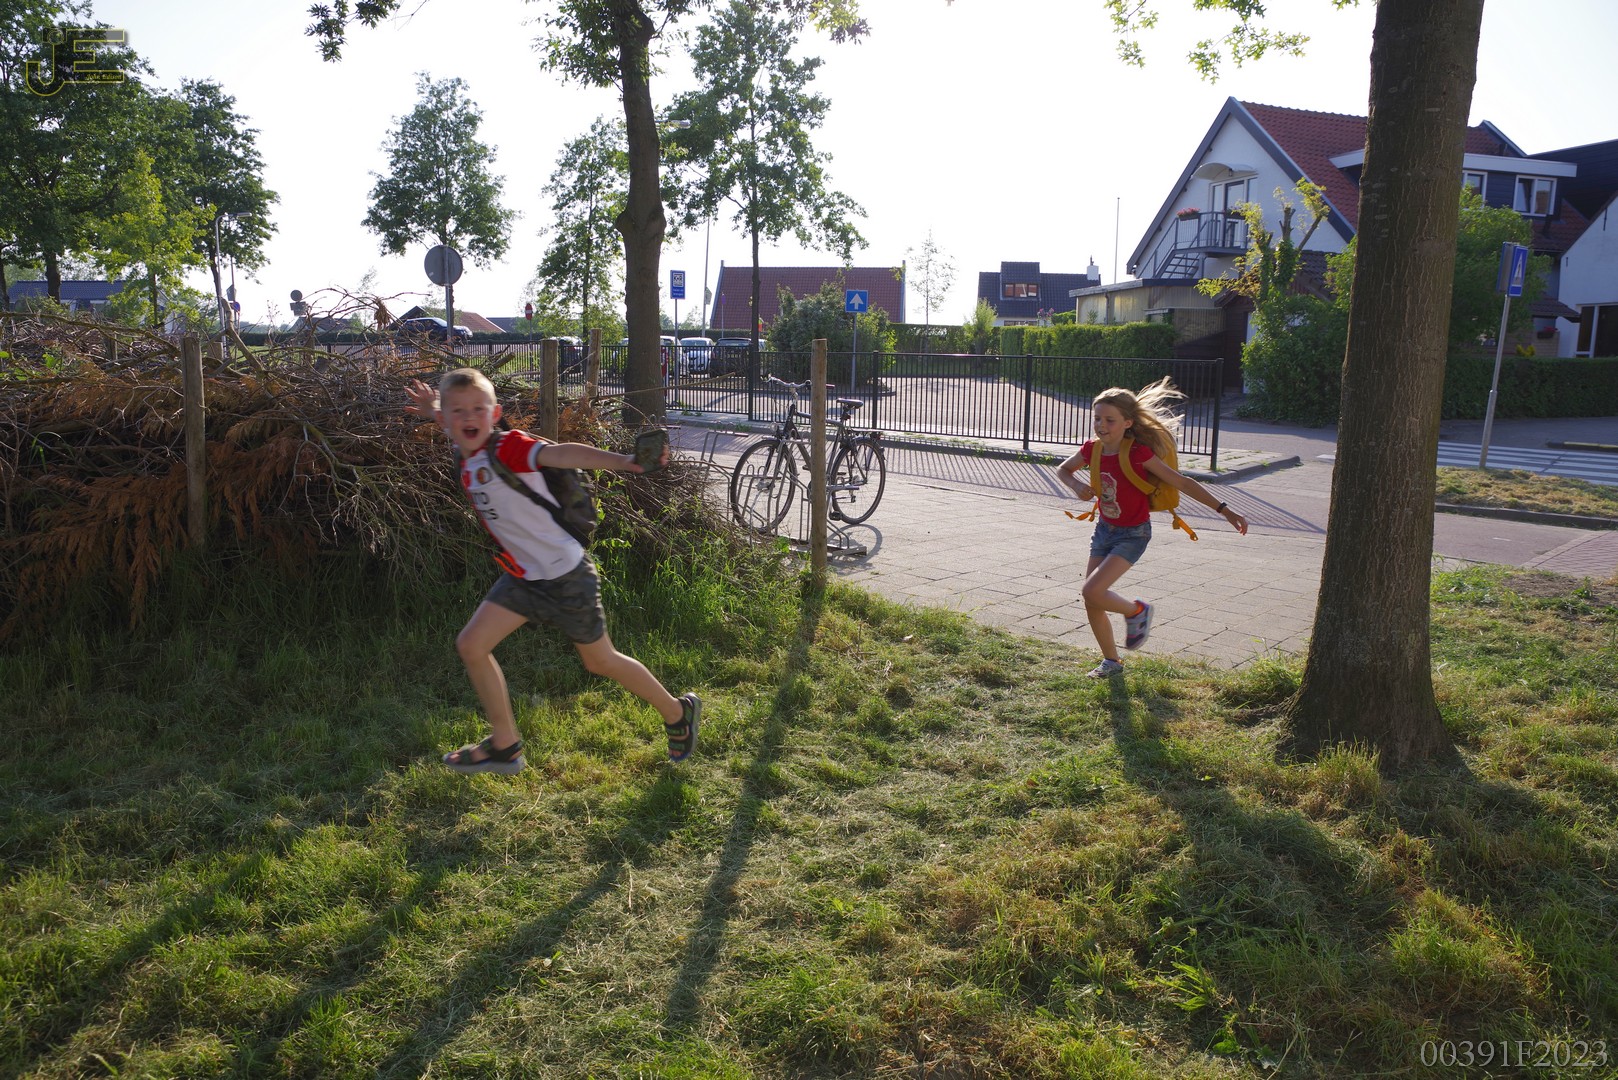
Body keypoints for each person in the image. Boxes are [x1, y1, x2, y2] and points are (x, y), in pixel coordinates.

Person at [405, 368, 700, 772]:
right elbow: (453, 419)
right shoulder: (463, 444)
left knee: (600, 661)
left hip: (566, 576)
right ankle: (505, 745)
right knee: (471, 645)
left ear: (495, 414)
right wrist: (433, 409)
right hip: (525, 577)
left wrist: (626, 461)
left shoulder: (507, 447)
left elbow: (560, 454)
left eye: (478, 409)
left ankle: (678, 712)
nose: (468, 417)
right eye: (458, 411)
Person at [1056, 378, 1250, 679]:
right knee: (1092, 599)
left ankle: (1137, 612)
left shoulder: (1138, 454)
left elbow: (1183, 482)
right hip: (1104, 529)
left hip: (1133, 534)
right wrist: (1076, 485)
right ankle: (1112, 661)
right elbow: (1063, 469)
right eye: (1097, 418)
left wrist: (1225, 510)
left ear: (1128, 423)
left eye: (1109, 420)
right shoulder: (1092, 449)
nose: (1101, 425)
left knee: (1092, 590)